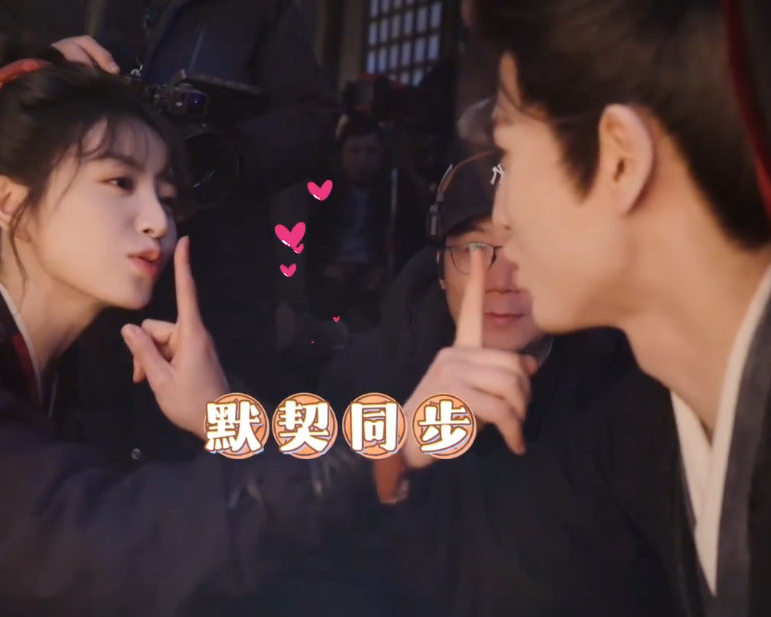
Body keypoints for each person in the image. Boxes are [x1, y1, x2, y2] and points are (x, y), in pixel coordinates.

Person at [0, 58, 367, 616]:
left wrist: (223, 416)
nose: (159, 220)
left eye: (168, 198)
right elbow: (88, 544)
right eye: (119, 182)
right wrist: (348, 467)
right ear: (9, 203)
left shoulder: (112, 364)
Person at [372, 0, 771, 615]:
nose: (502, 215)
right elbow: (477, 552)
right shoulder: (642, 431)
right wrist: (396, 450)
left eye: (509, 153)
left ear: (620, 159)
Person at [319, 152, 668, 617]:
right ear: (440, 268)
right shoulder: (365, 381)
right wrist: (401, 448)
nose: (502, 280)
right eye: (475, 250)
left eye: (529, 248)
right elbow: (313, 553)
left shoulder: (621, 389)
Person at [306, 114, 429, 331]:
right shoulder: (322, 189)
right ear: (341, 153)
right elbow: (312, 236)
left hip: (375, 274)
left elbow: (409, 238)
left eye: (371, 152)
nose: (362, 160)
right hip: (332, 273)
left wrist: (385, 268)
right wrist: (325, 265)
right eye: (355, 151)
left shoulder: (396, 189)